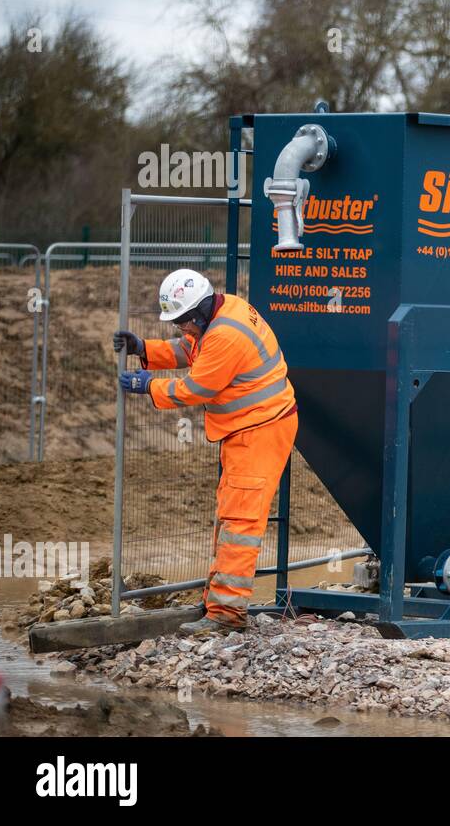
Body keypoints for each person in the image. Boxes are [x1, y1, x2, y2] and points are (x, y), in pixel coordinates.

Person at [114, 269, 297, 636]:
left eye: (184, 322)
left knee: (241, 523)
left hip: (259, 429)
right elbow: (190, 349)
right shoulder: (221, 310)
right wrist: (145, 349)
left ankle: (227, 614)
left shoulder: (225, 334)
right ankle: (218, 601)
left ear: (198, 312)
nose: (183, 329)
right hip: (250, 428)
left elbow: (197, 387)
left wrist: (149, 385)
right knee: (230, 517)